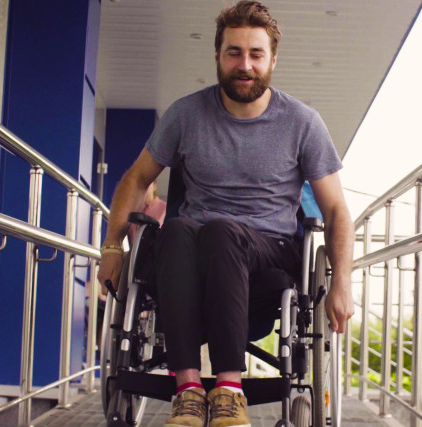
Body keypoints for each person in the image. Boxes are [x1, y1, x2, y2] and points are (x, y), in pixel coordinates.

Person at [95, 2, 355, 426]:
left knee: (218, 230)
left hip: (267, 253)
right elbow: (136, 179)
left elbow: (336, 211)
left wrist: (341, 279)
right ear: (217, 55)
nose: (244, 64)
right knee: (177, 229)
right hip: (191, 252)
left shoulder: (302, 123)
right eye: (234, 52)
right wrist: (111, 246)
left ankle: (229, 393)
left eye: (255, 54)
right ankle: (189, 392)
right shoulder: (186, 114)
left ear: (272, 60)